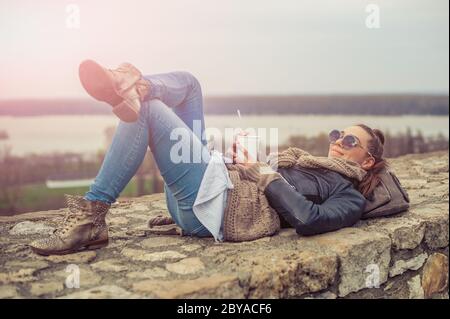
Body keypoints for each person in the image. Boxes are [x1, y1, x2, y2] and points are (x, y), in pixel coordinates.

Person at [29, 60, 388, 255]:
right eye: (337, 134)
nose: (338, 141)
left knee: (149, 112)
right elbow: (266, 181)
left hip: (217, 209)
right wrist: (239, 162)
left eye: (350, 139)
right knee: (188, 84)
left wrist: (262, 172)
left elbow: (308, 219)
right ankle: (133, 86)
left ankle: (90, 219)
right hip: (216, 186)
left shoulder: (350, 196)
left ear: (367, 161)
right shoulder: (310, 163)